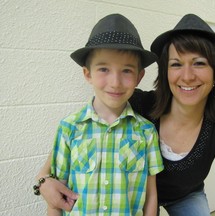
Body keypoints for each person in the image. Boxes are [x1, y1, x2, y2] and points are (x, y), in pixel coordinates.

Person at [36, 14, 215, 216]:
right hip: (133, 194)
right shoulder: (138, 104)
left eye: (199, 63)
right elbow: (54, 166)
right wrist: (43, 183)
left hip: (185, 195)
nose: (187, 76)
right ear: (165, 72)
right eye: (176, 64)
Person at [33, 13, 164, 216]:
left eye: (127, 71)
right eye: (104, 69)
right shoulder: (69, 128)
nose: (115, 82)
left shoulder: (146, 132)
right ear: (88, 74)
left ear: (139, 77)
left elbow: (151, 194)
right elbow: (55, 199)